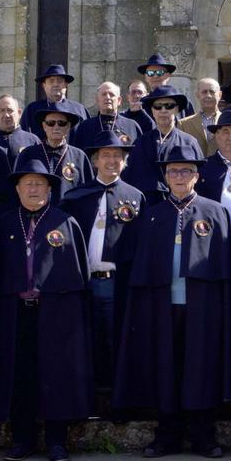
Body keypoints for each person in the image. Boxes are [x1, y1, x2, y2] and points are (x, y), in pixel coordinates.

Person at [113, 145, 231, 459]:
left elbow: (225, 266)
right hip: (162, 307)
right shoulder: (152, 214)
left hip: (202, 306)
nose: (179, 177)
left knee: (201, 367)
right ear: (165, 176)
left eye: (186, 171)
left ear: (197, 175)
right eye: (173, 171)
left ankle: (203, 436)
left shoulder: (215, 211)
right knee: (166, 368)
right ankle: (166, 434)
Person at [0, 155, 93, 461]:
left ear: (50, 189)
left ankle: (56, 441)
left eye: (40, 184)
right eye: (28, 184)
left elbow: (81, 275)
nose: (34, 189)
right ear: (17, 189)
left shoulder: (66, 222)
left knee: (57, 375)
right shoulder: (5, 222)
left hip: (56, 312)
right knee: (20, 377)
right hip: (16, 312)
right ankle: (22, 440)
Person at [60, 130, 145, 396]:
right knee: (82, 339)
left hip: (115, 283)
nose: (111, 161)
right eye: (105, 155)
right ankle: (84, 397)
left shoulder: (135, 197)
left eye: (117, 156)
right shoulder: (77, 196)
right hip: (82, 281)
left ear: (124, 161)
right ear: (95, 160)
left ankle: (116, 398)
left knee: (114, 339)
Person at [123, 85, 204, 205]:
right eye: (158, 106)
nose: (163, 110)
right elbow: (129, 179)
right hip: (147, 206)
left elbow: (200, 179)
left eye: (169, 106)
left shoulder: (189, 142)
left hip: (181, 205)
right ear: (152, 111)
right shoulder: (140, 143)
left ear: (177, 110)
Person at [14, 101, 93, 205]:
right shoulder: (28, 154)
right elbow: (18, 189)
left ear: (68, 126)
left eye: (61, 123)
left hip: (68, 217)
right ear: (44, 126)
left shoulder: (79, 157)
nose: (56, 127)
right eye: (51, 123)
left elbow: (89, 193)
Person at [19, 64, 90, 141]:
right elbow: (24, 139)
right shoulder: (32, 110)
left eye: (59, 81)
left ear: (66, 85)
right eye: (51, 81)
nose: (55, 84)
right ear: (44, 85)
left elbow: (88, 139)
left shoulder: (79, 110)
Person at [73, 82, 143, 150]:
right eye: (104, 94)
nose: (108, 97)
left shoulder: (132, 126)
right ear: (97, 100)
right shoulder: (85, 127)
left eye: (112, 94)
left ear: (119, 100)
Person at [137, 53, 195, 119]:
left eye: (160, 72)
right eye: (150, 73)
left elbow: (191, 126)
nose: (155, 76)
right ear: (146, 77)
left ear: (168, 76)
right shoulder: (142, 104)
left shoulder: (183, 102)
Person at [178, 77, 222, 157]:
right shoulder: (183, 124)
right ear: (197, 95)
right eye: (204, 92)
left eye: (212, 92)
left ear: (219, 95)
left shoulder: (228, 122)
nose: (208, 95)